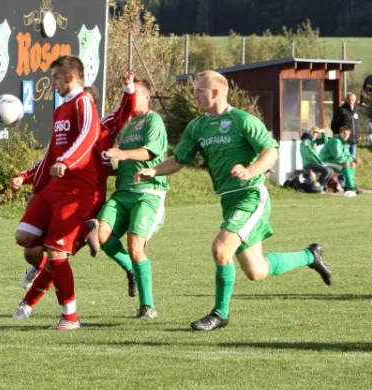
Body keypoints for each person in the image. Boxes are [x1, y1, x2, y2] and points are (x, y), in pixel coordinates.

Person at [134, 70, 332, 331]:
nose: (195, 96)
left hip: (250, 195)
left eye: (199, 91)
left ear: (216, 92)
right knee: (257, 270)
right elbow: (179, 159)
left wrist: (250, 171)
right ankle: (310, 256)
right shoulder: (197, 127)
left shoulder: (242, 120)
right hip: (228, 201)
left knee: (221, 248)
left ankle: (220, 313)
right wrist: (154, 170)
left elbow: (271, 151)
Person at [12, 71, 138, 320]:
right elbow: (48, 160)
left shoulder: (103, 127)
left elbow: (124, 111)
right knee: (33, 249)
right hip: (62, 196)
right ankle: (37, 273)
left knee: (57, 257)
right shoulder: (69, 132)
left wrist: (129, 89)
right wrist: (25, 177)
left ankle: (29, 305)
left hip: (86, 201)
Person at [13, 55, 101, 330]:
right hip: (54, 188)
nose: (52, 83)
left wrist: (67, 161)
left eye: (55, 78)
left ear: (69, 77)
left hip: (77, 189)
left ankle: (70, 317)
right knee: (25, 236)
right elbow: (52, 153)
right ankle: (78, 237)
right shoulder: (60, 109)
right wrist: (28, 178)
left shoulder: (83, 101)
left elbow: (90, 134)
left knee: (56, 253)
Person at [95, 76, 168, 320]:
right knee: (101, 234)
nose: (131, 97)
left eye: (136, 93)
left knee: (135, 246)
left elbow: (150, 152)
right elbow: (121, 160)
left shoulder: (153, 119)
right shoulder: (126, 125)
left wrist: (122, 153)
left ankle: (148, 306)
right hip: (122, 192)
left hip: (148, 192)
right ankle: (131, 271)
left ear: (147, 97)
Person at [319, 125, 361, 198]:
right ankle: (350, 186)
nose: (346, 135)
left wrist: (354, 159)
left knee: (352, 163)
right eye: (344, 133)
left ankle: (348, 186)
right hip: (324, 162)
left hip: (333, 161)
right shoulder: (336, 141)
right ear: (340, 133)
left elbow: (347, 155)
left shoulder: (343, 142)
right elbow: (338, 156)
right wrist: (351, 159)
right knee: (347, 163)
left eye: (348, 134)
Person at [331, 92, 359, 157]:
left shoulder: (355, 110)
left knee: (352, 160)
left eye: (353, 99)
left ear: (355, 100)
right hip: (344, 141)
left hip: (354, 140)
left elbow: (356, 125)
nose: (351, 101)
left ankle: (352, 167)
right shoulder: (341, 110)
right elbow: (334, 125)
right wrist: (340, 137)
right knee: (344, 160)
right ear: (346, 99)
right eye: (349, 99)